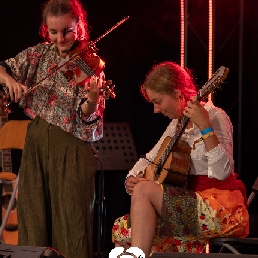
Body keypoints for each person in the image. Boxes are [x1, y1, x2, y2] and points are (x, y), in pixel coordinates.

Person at [0, 0, 106, 257]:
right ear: (45, 29)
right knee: (33, 216)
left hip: (71, 146)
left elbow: (87, 115)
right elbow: (3, 68)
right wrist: (9, 81)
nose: (61, 38)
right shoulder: (38, 54)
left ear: (79, 26)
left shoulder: (89, 62)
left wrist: (92, 100)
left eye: (67, 30)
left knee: (71, 221)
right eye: (54, 32)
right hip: (36, 142)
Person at [112, 61, 249, 257]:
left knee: (144, 190)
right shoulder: (177, 124)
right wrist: (130, 179)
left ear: (177, 93)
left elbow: (222, 172)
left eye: (158, 101)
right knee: (123, 226)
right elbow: (149, 159)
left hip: (220, 207)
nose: (155, 110)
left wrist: (205, 128)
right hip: (188, 203)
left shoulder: (216, 116)